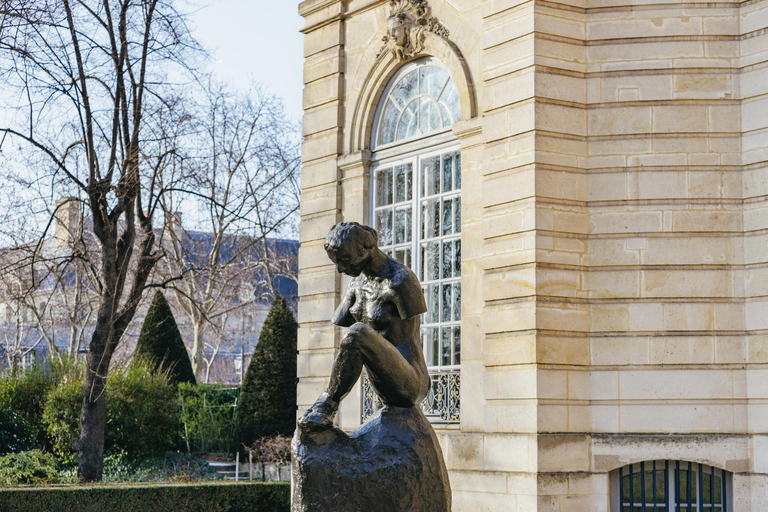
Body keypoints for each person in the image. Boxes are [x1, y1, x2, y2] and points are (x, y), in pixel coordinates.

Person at [298, 222, 430, 431]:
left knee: (358, 333)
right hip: (381, 388)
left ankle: (327, 404)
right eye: (335, 262)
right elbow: (340, 320)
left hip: (410, 383)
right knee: (356, 333)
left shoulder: (401, 281)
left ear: (364, 250)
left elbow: (402, 338)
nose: (340, 269)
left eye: (345, 260)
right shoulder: (357, 283)